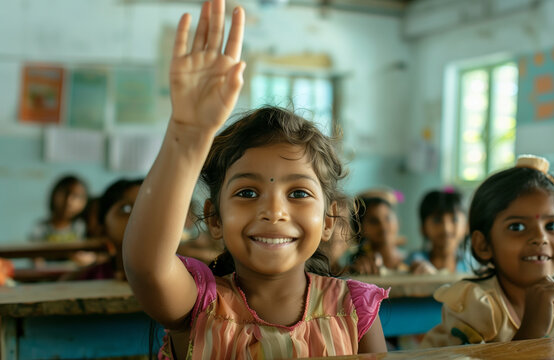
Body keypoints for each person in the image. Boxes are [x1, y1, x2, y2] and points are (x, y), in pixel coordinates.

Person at [122, 1, 388, 357]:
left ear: (328, 220)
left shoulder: (354, 308)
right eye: (247, 192)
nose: (273, 211)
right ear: (214, 217)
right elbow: (146, 266)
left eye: (298, 193)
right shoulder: (200, 304)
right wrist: (187, 136)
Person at [421, 155, 554, 347]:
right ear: (483, 245)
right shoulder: (476, 305)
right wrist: (532, 327)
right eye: (517, 227)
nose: (540, 237)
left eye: (552, 226)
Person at [64, 178, 143, 281]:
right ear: (103, 228)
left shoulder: (170, 279)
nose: (143, 216)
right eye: (126, 209)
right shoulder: (83, 281)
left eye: (152, 207)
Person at [408, 188, 471, 274]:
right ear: (423, 228)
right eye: (437, 220)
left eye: (454, 219)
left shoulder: (473, 265)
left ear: (466, 226)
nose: (446, 228)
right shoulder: (414, 262)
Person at [350, 195, 409, 275]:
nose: (383, 226)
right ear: (361, 229)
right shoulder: (358, 266)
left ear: (398, 222)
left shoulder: (413, 261)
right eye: (374, 221)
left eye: (388, 218)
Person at [30, 175, 88, 243]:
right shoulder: (41, 228)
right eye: (65, 194)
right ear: (54, 195)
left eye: (76, 196)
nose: (69, 201)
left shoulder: (80, 226)